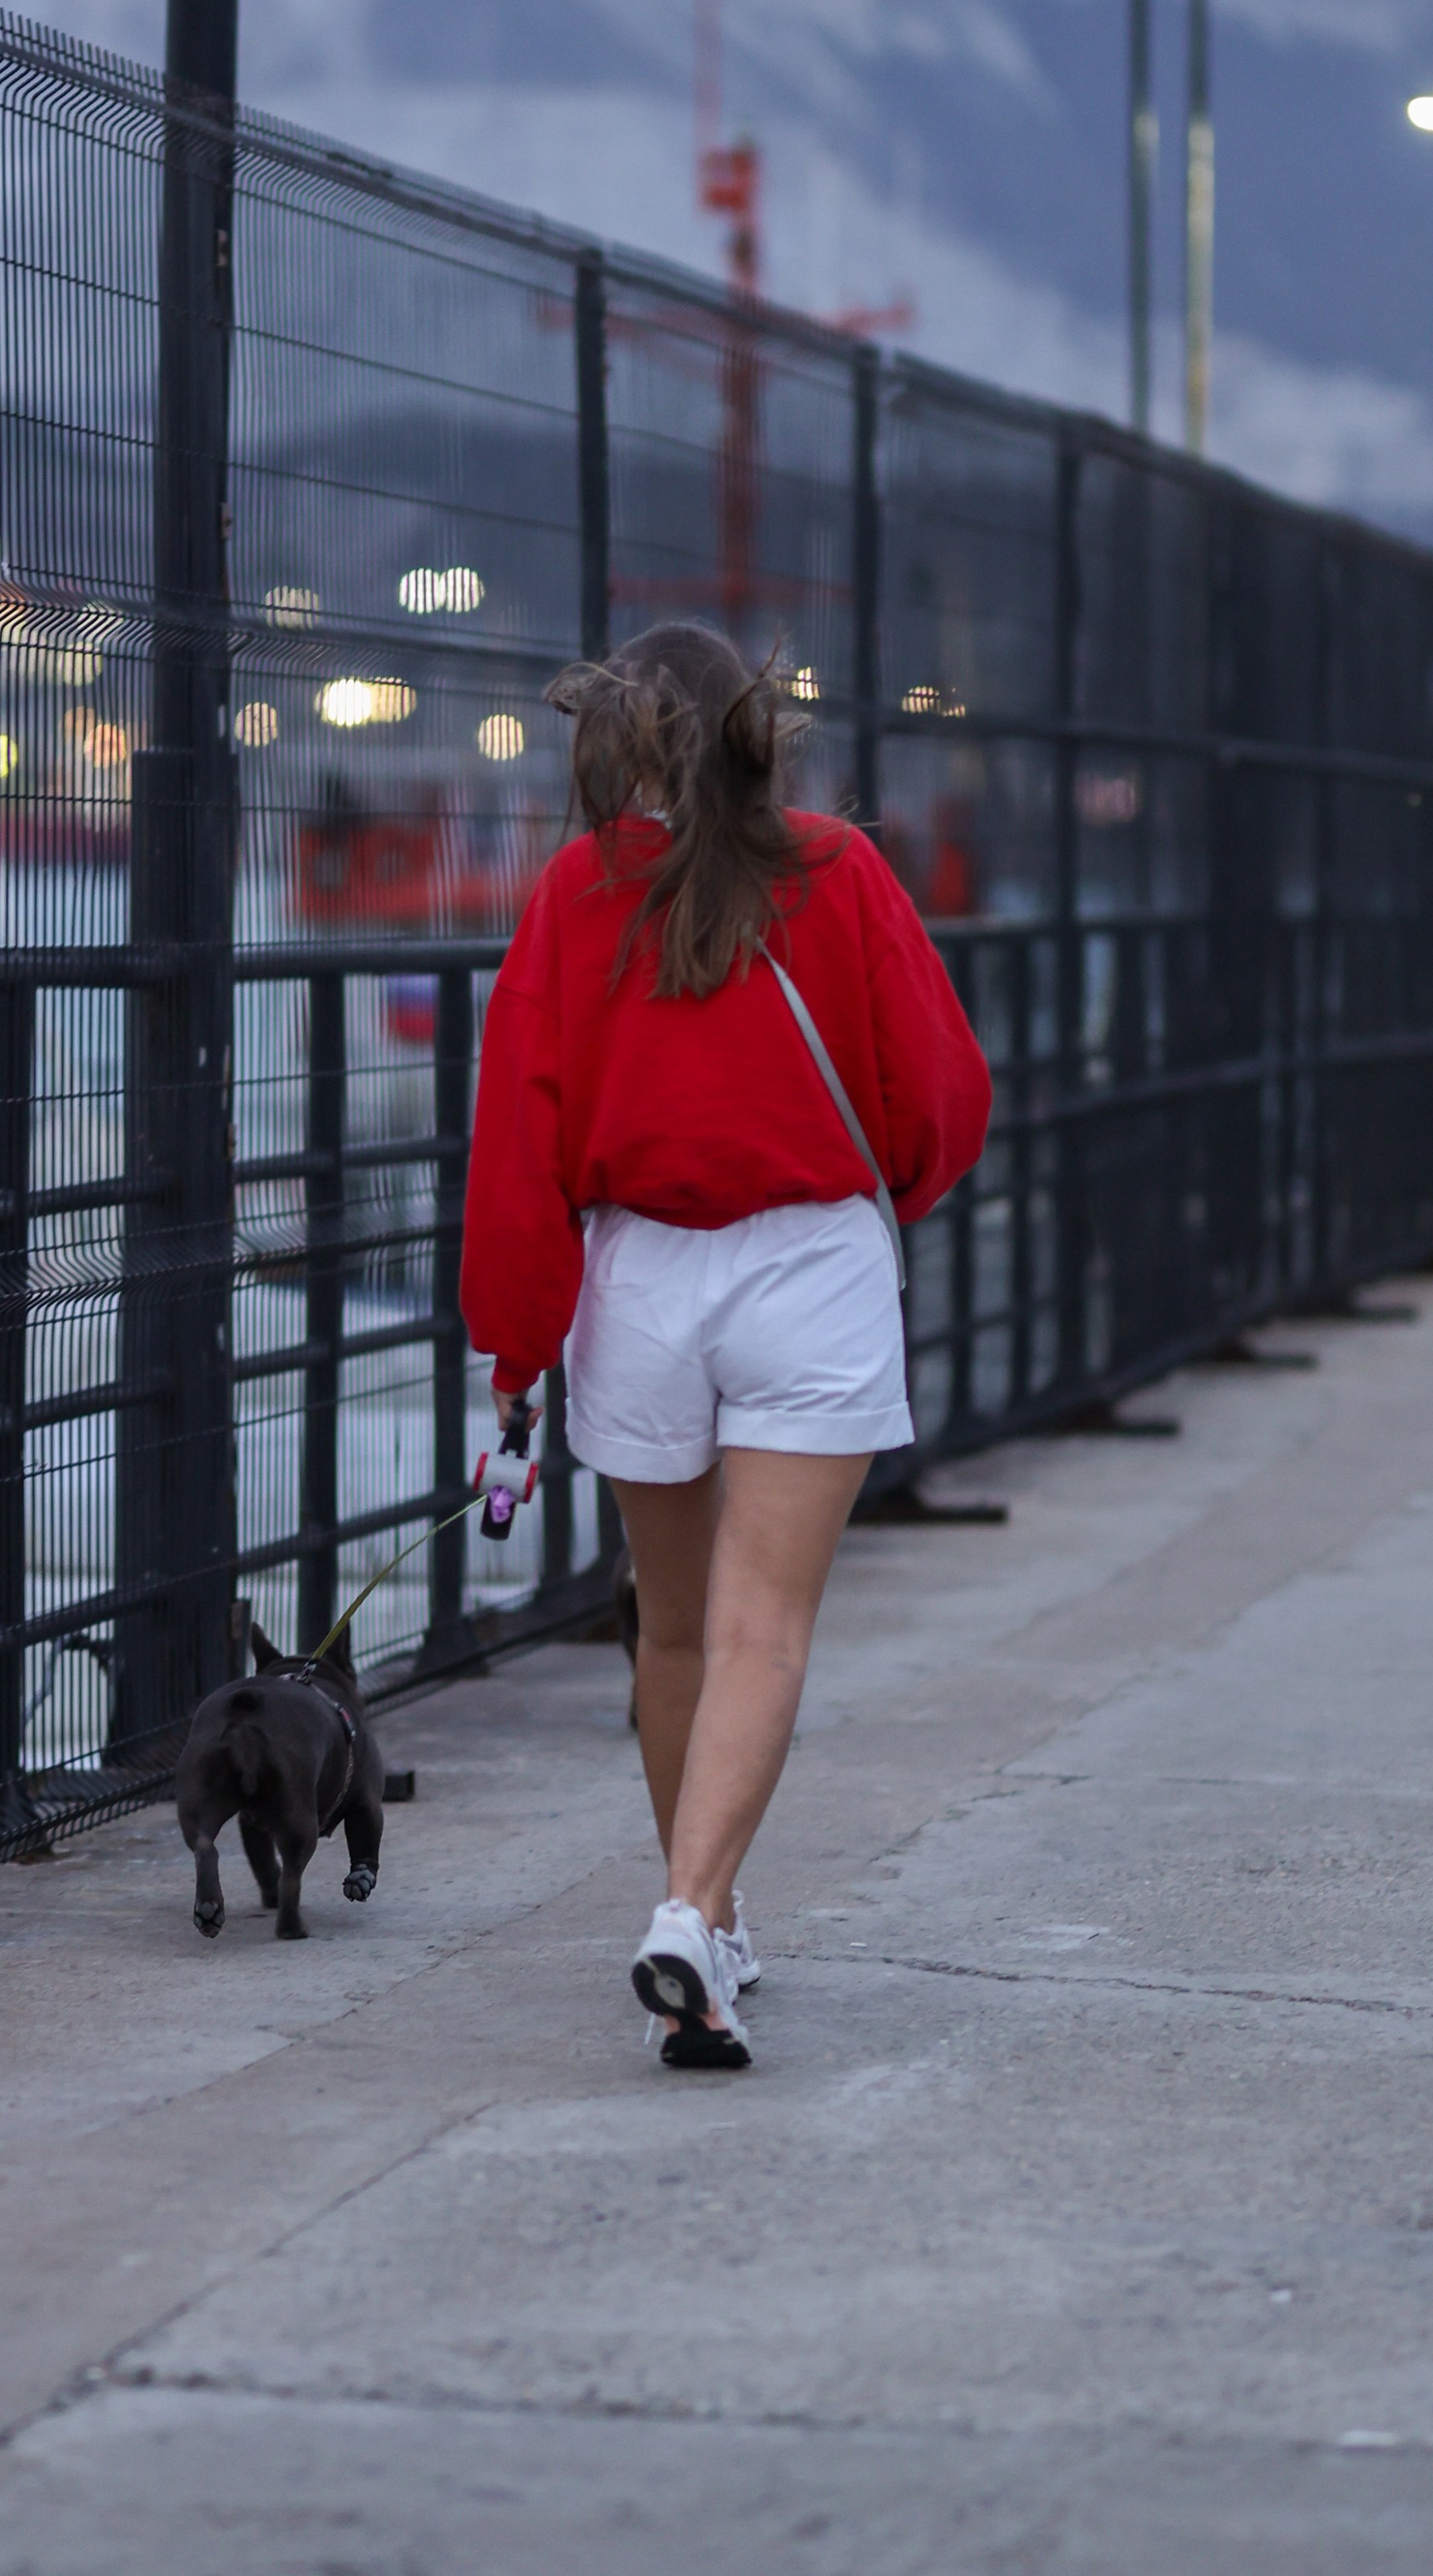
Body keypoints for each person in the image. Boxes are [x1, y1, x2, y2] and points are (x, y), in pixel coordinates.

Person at [462, 622, 991, 2067]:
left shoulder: (579, 893)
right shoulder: (839, 870)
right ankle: (692, 1912)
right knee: (767, 1629)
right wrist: (876, 1187)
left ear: (617, 748)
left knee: (674, 1626)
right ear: (756, 736)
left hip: (641, 1274)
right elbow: (938, 1089)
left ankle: (711, 1923)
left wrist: (514, 1342)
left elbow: (523, 1132)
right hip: (806, 1263)